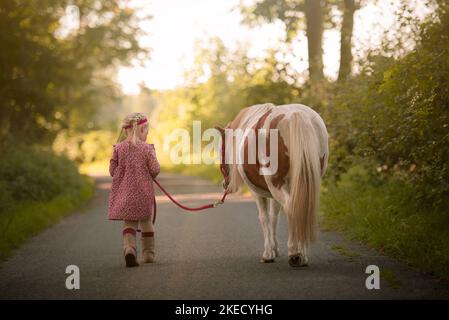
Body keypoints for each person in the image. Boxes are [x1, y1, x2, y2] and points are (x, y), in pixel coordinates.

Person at [108, 112, 160, 267]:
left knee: (129, 224)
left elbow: (112, 171)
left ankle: (129, 249)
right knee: (146, 223)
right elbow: (155, 169)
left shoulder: (118, 148)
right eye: (147, 132)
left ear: (126, 130)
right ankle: (148, 254)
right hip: (143, 195)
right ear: (143, 130)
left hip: (124, 196)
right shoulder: (147, 148)